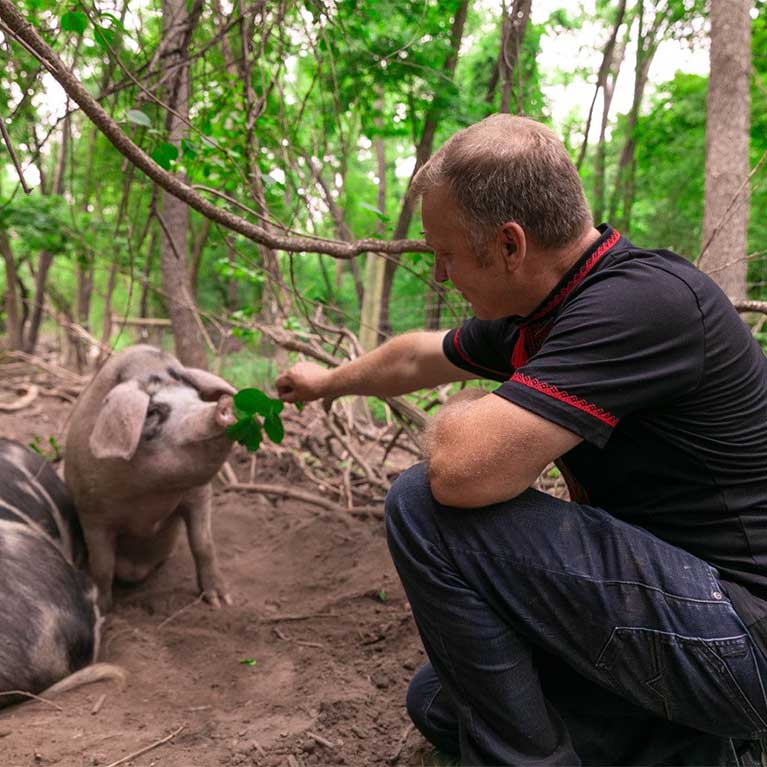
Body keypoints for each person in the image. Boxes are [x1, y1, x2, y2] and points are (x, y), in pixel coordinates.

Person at [275, 114, 767, 766]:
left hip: (740, 635)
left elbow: (459, 471)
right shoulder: (543, 310)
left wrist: (474, 404)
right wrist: (326, 381)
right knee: (439, 699)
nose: (442, 276)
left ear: (510, 245)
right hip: (687, 621)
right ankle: (692, 747)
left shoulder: (640, 303)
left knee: (423, 503)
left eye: (445, 253)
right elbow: (416, 357)